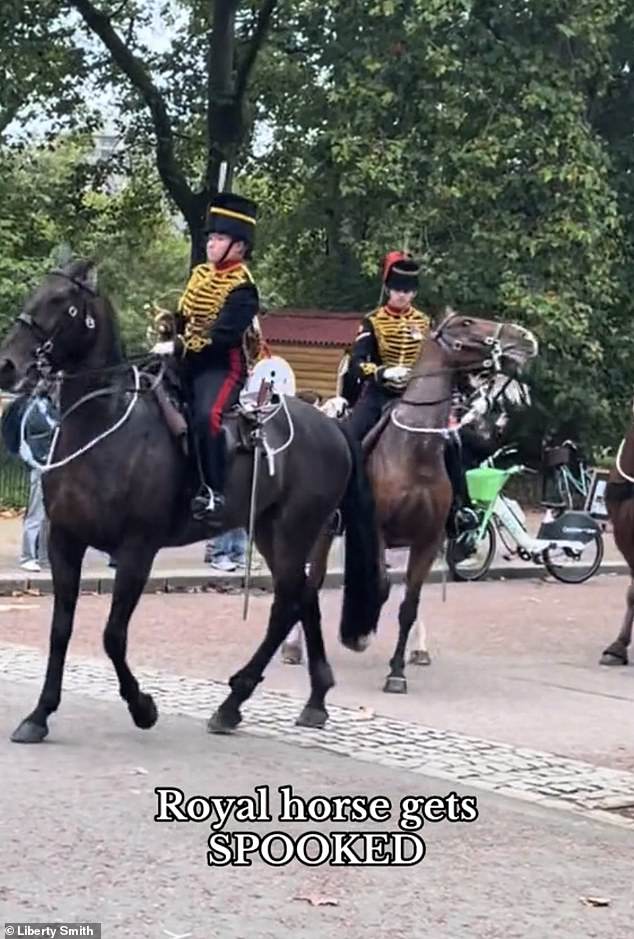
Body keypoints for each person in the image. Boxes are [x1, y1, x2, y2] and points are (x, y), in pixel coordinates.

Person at [152, 192, 260, 521]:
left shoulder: (244, 287)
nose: (211, 244)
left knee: (205, 416)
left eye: (220, 238)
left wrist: (185, 345)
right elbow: (185, 314)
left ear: (239, 246)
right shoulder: (200, 275)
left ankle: (214, 491)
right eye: (211, 237)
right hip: (185, 360)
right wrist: (170, 328)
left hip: (222, 367)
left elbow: (224, 335)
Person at [345, 250, 431, 440]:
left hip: (414, 393)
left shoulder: (424, 322)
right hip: (379, 393)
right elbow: (356, 363)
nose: (401, 295)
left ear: (414, 293)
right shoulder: (373, 320)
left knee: (450, 440)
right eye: (397, 290)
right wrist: (382, 372)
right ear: (388, 290)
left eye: (407, 291)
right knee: (350, 436)